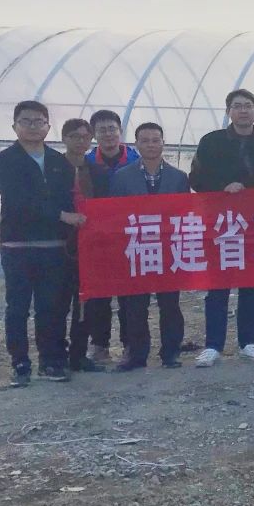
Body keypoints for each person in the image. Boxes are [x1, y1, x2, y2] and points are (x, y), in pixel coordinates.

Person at [188, 89, 254, 366]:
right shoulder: (211, 142)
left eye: (248, 106)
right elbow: (196, 179)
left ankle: (248, 342)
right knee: (217, 286)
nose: (243, 110)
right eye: (237, 106)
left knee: (251, 285)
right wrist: (223, 187)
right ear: (228, 111)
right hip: (220, 225)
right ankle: (213, 345)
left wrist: (250, 190)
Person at [0, 101, 84, 386]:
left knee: (51, 307)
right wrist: (61, 216)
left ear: (48, 126)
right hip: (18, 246)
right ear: (15, 126)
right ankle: (20, 362)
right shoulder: (5, 161)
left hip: (54, 246)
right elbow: (18, 200)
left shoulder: (59, 162)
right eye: (26, 121)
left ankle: (51, 361)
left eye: (39, 121)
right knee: (17, 307)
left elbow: (68, 198)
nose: (33, 127)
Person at [110, 123, 190, 371]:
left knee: (170, 304)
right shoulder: (122, 177)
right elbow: (114, 214)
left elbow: (185, 212)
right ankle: (137, 354)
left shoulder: (178, 177)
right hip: (136, 247)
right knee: (134, 304)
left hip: (168, 249)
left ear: (163, 143)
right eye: (145, 141)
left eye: (156, 140)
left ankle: (171, 352)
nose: (151, 145)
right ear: (136, 145)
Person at [83, 109, 139, 364]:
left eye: (112, 129)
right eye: (102, 130)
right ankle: (100, 344)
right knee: (98, 294)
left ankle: (130, 344)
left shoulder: (136, 159)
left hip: (129, 237)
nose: (108, 134)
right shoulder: (85, 164)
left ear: (120, 131)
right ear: (94, 134)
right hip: (96, 239)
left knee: (130, 294)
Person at [56, 119, 107, 375]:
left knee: (85, 302)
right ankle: (55, 354)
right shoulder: (54, 167)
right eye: (75, 136)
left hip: (89, 244)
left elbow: (106, 205)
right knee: (57, 302)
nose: (80, 141)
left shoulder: (97, 170)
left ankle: (78, 354)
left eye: (85, 137)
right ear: (64, 138)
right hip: (59, 243)